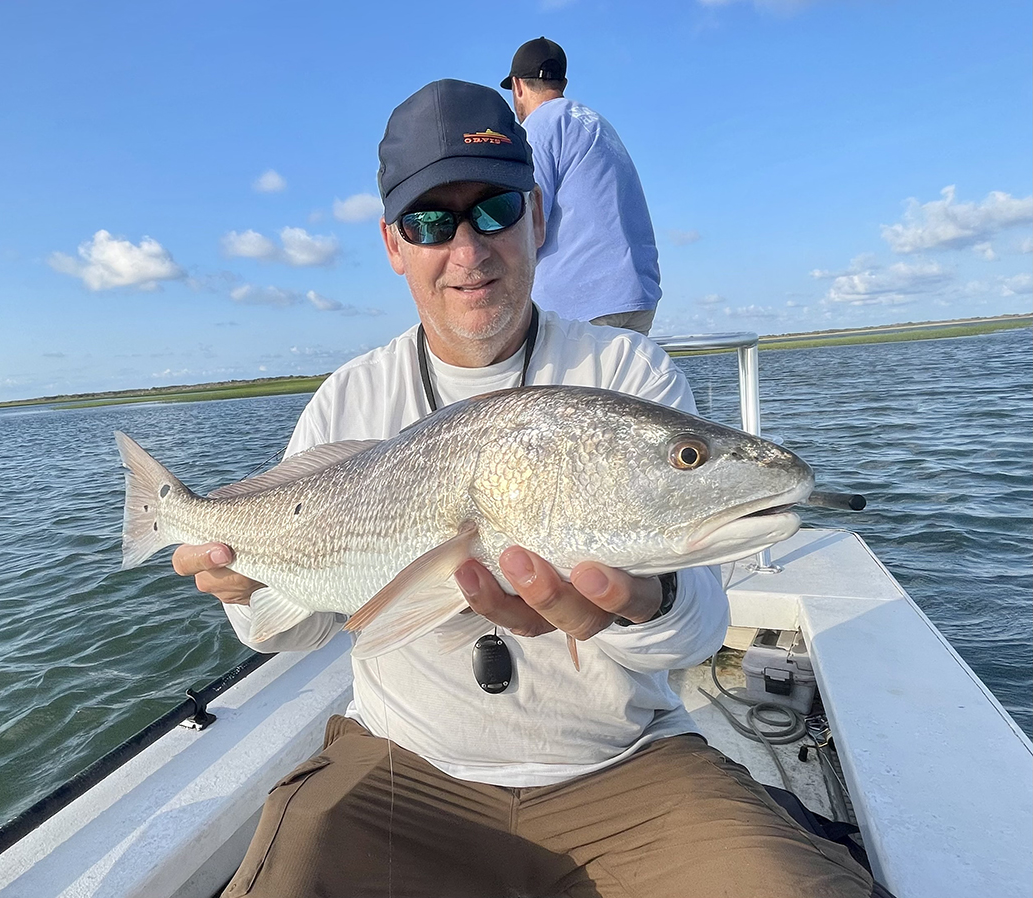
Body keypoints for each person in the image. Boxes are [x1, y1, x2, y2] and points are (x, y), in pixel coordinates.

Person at [172, 80, 883, 898]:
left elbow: (697, 634)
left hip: (621, 763)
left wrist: (645, 603)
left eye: (496, 210)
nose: (468, 250)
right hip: (405, 761)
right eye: (431, 222)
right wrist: (243, 581)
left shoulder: (627, 374)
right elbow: (293, 632)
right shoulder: (348, 400)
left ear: (538, 218)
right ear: (394, 245)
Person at [502, 37, 662, 335]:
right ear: (562, 81)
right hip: (638, 297)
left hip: (583, 305)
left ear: (517, 86)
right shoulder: (598, 124)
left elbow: (526, 224)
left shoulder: (537, 129)